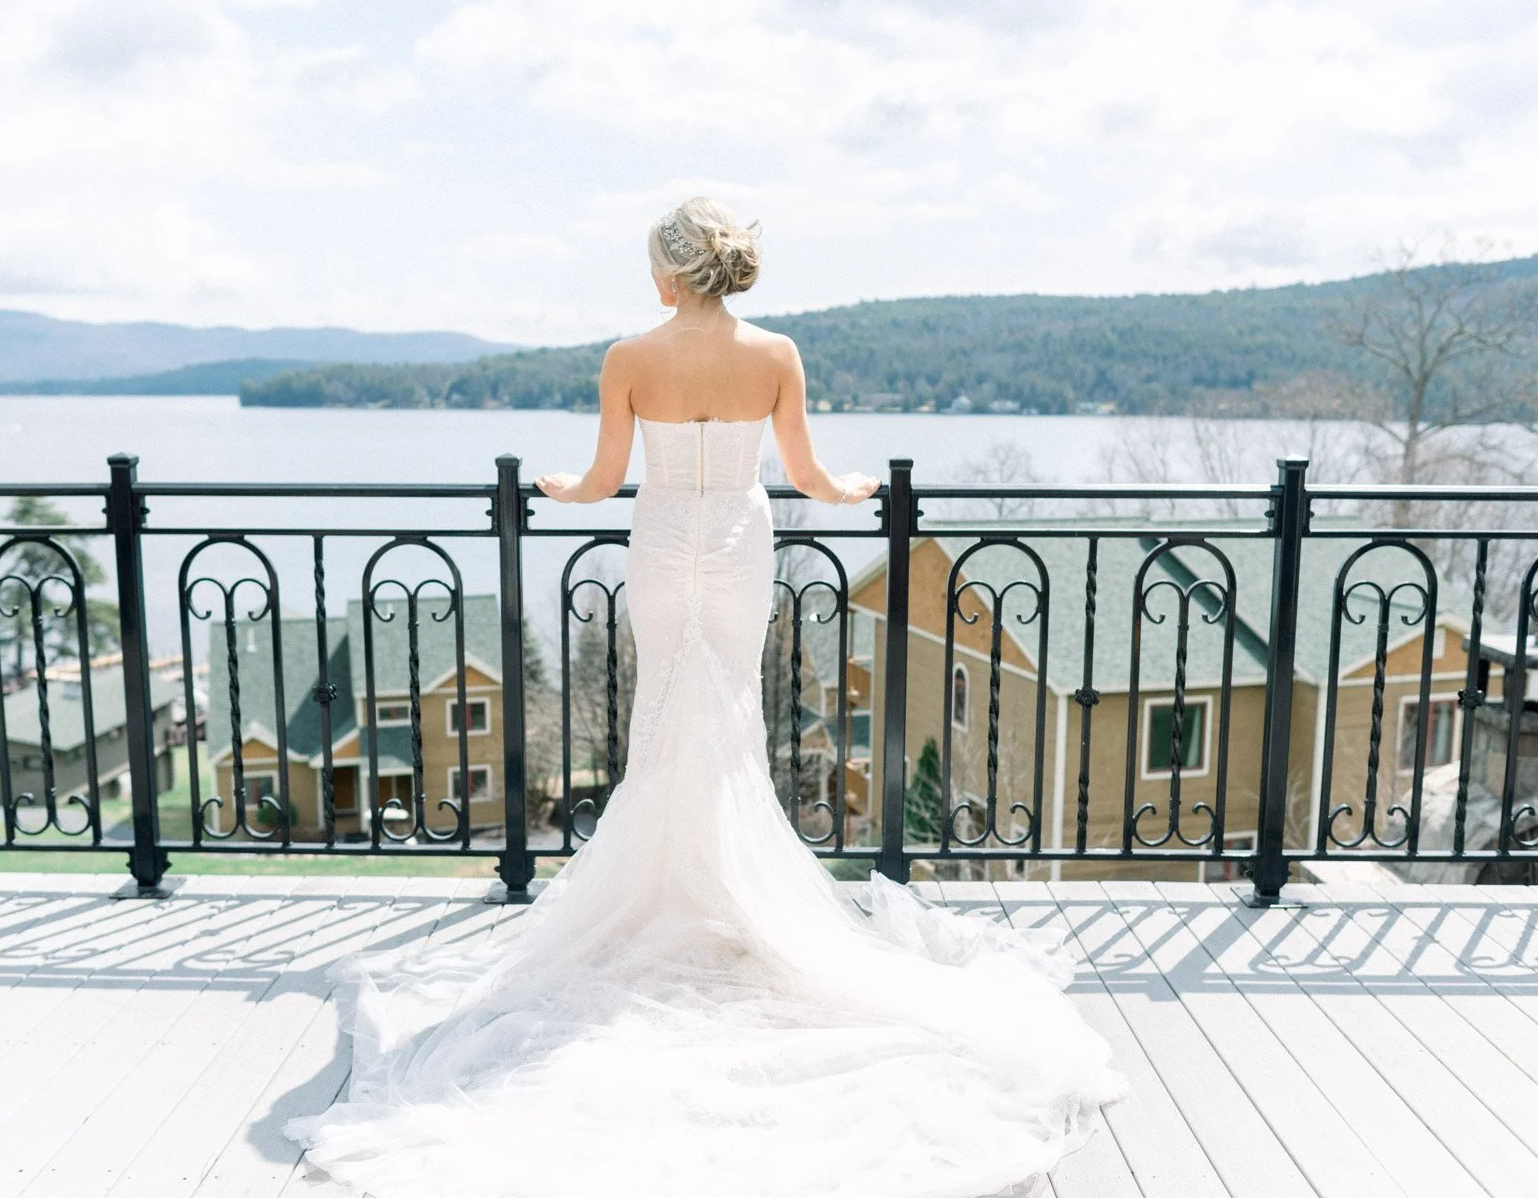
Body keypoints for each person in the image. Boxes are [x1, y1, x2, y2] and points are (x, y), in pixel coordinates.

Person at [287, 197, 1125, 1198]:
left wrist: (552, 486)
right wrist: (857, 489)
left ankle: (676, 894)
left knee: (667, 721)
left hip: (662, 541)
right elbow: (809, 472)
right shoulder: (776, 352)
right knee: (724, 717)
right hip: (735, 539)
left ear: (669, 275)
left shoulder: (626, 357)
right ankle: (729, 898)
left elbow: (602, 480)